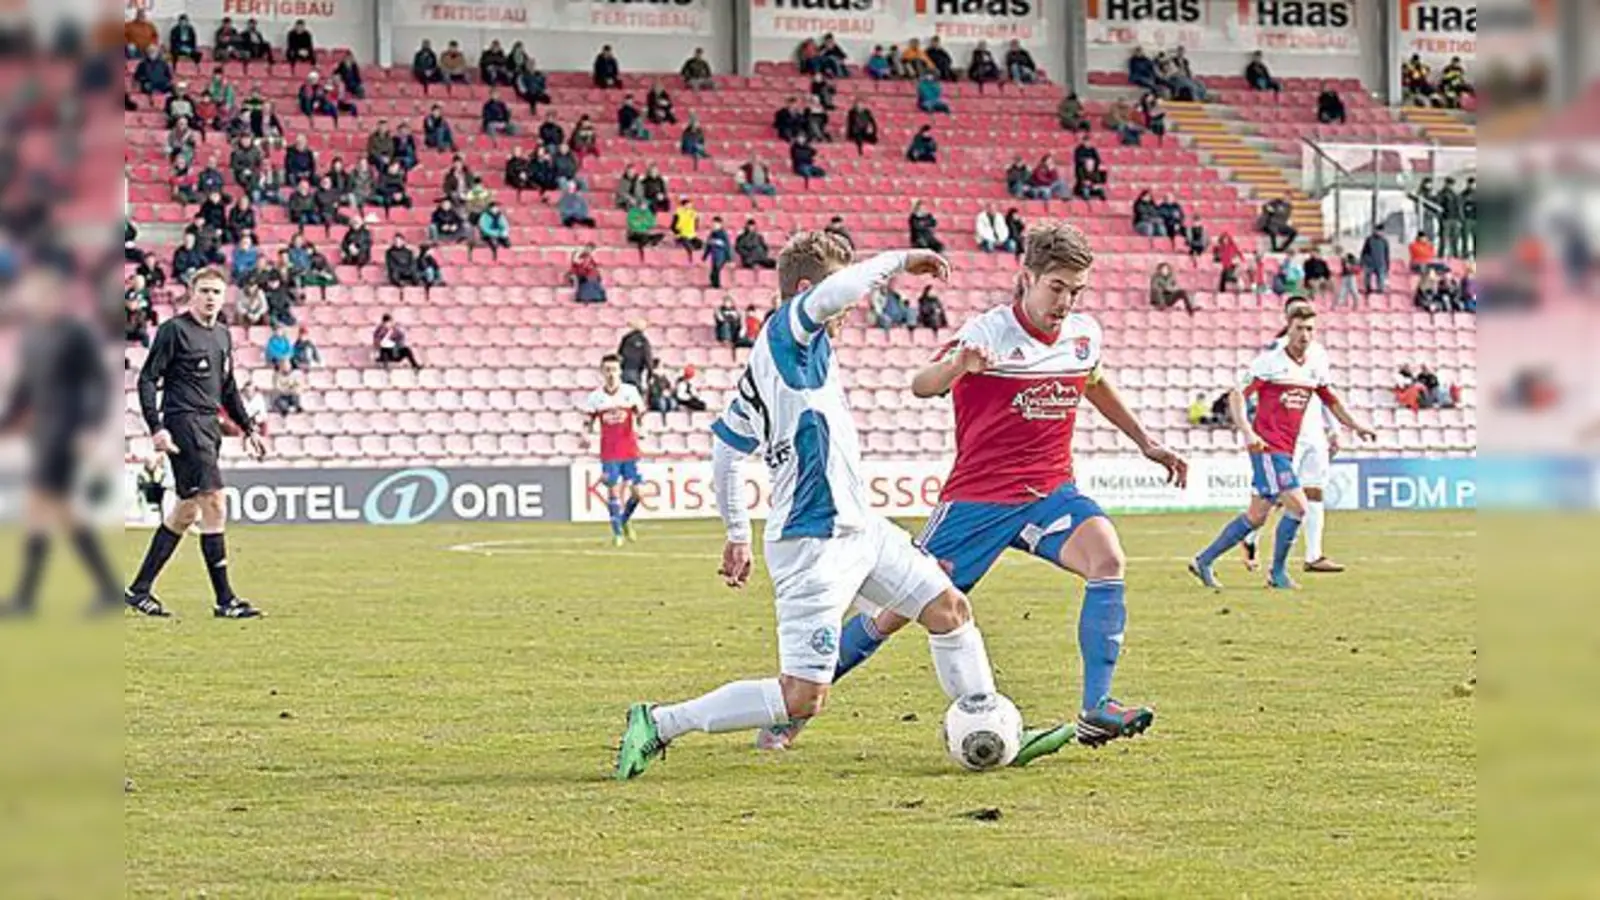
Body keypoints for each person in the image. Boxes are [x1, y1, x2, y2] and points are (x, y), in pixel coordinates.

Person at [614, 237, 1048, 781]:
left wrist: (736, 533)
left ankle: (990, 722)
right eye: (839, 297)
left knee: (949, 610)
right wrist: (899, 262)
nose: (850, 309)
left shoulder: (769, 365)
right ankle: (658, 722)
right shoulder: (788, 333)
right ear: (807, 292)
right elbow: (837, 292)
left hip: (861, 530)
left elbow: (727, 447)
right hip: (812, 543)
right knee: (802, 698)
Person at [756, 222, 1180, 757]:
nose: (1066, 302)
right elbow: (921, 384)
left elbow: (1094, 382)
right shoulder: (990, 331)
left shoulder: (1083, 335)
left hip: (1051, 492)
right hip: (977, 504)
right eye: (1057, 287)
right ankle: (789, 712)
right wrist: (960, 364)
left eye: (1076, 291)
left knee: (1108, 559)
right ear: (1026, 278)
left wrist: (1147, 443)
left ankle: (1097, 707)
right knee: (894, 616)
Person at [1190, 305, 1376, 591]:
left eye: (1310, 329)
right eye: (1300, 328)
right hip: (1267, 447)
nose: (1305, 335)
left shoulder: (1314, 365)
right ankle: (1277, 574)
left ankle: (1204, 560)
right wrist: (1247, 430)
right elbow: (1237, 394)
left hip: (1285, 449)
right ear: (1288, 328)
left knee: (1256, 516)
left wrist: (1356, 425)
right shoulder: (1270, 362)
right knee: (1299, 506)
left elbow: (1330, 400)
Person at [126, 268, 267, 619]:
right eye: (204, 290)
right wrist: (156, 428)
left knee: (186, 510)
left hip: (209, 425)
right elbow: (147, 379)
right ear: (192, 293)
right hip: (182, 421)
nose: (210, 297)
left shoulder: (222, 334)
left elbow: (229, 386)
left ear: (224, 296)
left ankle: (138, 590)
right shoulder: (174, 330)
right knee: (215, 501)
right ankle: (225, 600)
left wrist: (248, 428)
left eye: (216, 292)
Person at [0, 273, 120, 615]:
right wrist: (5, 424)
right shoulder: (32, 337)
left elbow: (97, 381)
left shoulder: (76, 333)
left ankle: (25, 599)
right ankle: (107, 588)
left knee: (42, 507)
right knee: (63, 512)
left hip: (66, 430)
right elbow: (24, 390)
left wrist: (89, 427)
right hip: (44, 432)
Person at [1238, 299, 1352, 575]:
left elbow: (1325, 393)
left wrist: (1334, 429)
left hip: (1314, 432)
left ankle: (1314, 555)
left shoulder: (1319, 354)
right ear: (1288, 320)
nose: (1305, 332)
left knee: (1315, 490)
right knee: (1278, 495)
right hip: (1286, 434)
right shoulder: (1274, 354)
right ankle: (1250, 539)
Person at [1360, 225, 1389, 294]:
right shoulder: (1369, 239)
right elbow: (1364, 251)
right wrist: (1362, 261)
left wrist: (1387, 265)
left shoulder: (1384, 241)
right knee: (1367, 277)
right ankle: (1368, 289)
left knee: (1381, 277)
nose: (1380, 233)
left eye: (1381, 231)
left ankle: (1380, 289)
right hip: (1370, 263)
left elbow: (1387, 254)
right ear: (1375, 231)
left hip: (1381, 263)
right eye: (1378, 231)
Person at [705, 218, 733, 289]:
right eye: (713, 224)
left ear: (720, 225)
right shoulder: (712, 234)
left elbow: (727, 245)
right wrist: (705, 256)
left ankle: (717, 286)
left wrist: (729, 259)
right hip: (714, 255)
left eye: (716, 224)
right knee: (713, 272)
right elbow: (708, 245)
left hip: (721, 255)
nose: (714, 225)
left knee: (716, 270)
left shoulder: (723, 233)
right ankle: (715, 285)